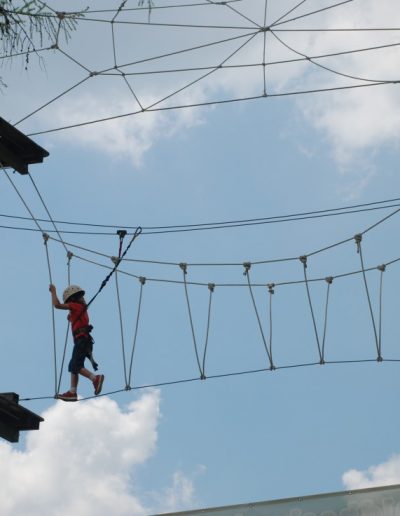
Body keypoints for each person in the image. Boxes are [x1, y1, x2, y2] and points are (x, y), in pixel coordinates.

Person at [49, 284, 104, 402]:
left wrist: (53, 291)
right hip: (84, 341)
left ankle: (95, 379)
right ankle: (72, 392)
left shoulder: (75, 306)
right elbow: (73, 318)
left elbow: (57, 305)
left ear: (71, 299)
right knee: (72, 366)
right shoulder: (81, 309)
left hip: (82, 340)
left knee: (76, 366)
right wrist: (70, 317)